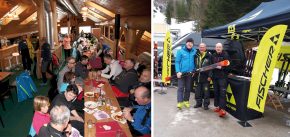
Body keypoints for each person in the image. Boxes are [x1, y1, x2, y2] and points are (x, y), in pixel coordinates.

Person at [175, 38, 197, 109]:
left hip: (190, 73)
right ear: (186, 43)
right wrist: (178, 71)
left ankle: (186, 101)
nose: (189, 44)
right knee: (180, 88)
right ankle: (179, 102)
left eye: (191, 43)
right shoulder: (180, 51)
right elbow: (177, 62)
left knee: (188, 88)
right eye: (188, 42)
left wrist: (194, 71)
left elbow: (196, 62)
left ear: (193, 44)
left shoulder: (195, 51)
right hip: (181, 73)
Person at [211, 43, 230, 117]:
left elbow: (228, 66)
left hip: (222, 77)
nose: (218, 48)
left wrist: (220, 67)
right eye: (217, 47)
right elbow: (212, 66)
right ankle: (218, 107)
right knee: (216, 92)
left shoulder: (225, 55)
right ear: (215, 48)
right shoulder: (213, 55)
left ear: (222, 48)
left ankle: (223, 110)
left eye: (219, 47)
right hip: (215, 77)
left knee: (222, 93)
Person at [193, 43, 212, 110]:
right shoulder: (196, 55)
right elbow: (194, 65)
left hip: (206, 77)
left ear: (205, 48)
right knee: (198, 92)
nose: (201, 48)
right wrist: (194, 70)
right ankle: (198, 103)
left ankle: (206, 105)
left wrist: (210, 76)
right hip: (197, 77)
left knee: (206, 92)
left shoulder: (209, 56)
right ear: (199, 47)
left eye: (203, 47)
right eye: (200, 47)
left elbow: (211, 67)